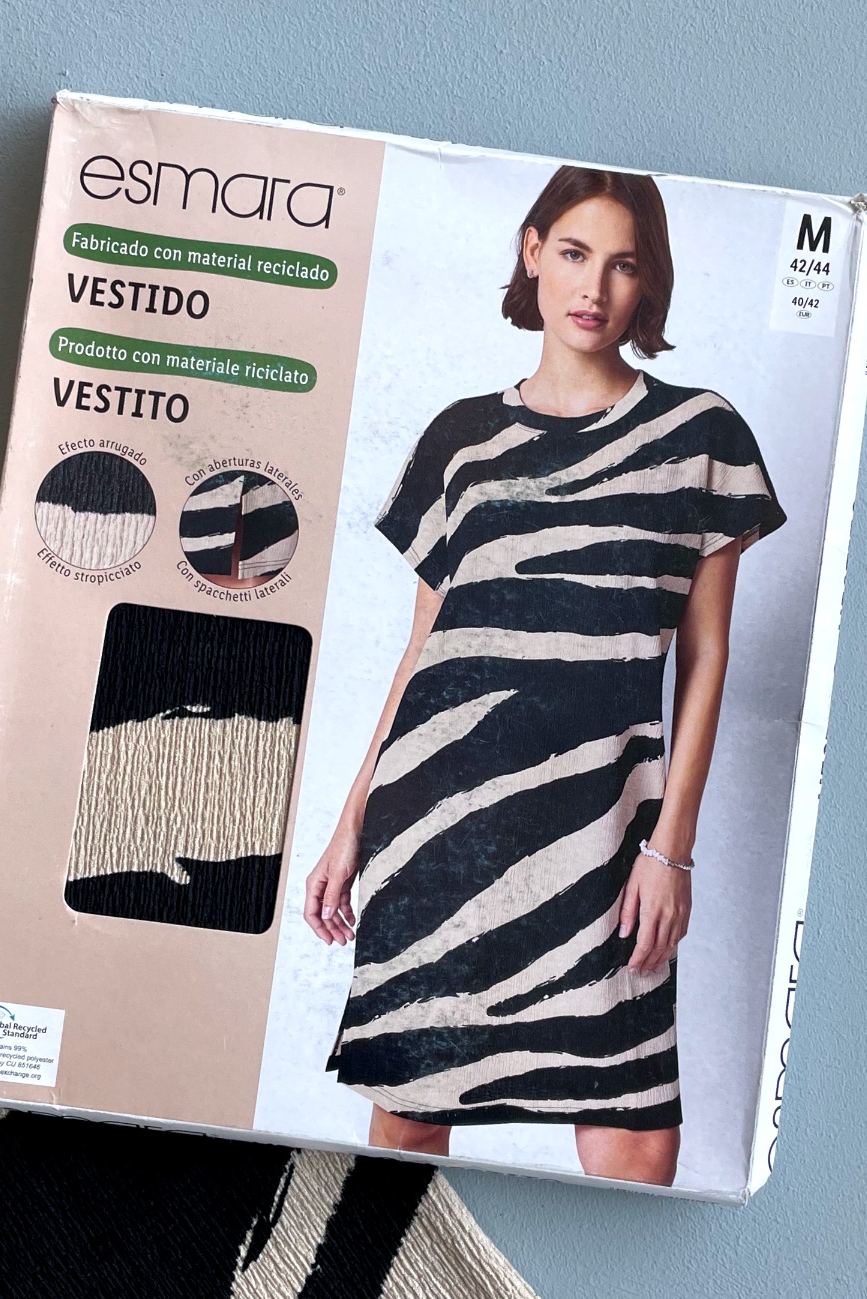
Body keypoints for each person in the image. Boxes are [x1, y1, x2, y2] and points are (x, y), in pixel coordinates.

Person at [304, 165, 786, 1185]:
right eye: (573, 253)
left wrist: (671, 849)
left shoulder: (700, 436)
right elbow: (422, 651)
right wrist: (351, 826)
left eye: (623, 264)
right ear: (532, 253)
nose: (593, 287)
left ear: (648, 281)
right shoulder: (459, 441)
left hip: (607, 835)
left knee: (634, 1131)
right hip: (436, 829)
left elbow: (705, 658)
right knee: (410, 1122)